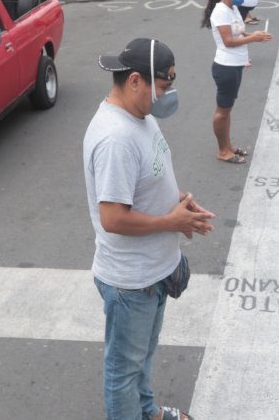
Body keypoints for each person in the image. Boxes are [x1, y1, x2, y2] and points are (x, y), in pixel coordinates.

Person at [84, 37, 216, 420]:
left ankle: (148, 411)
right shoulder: (115, 138)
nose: (168, 94)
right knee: (123, 372)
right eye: (164, 85)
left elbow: (148, 177)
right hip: (132, 282)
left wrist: (178, 202)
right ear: (135, 81)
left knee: (142, 356)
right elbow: (113, 218)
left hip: (153, 272)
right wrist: (170, 221)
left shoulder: (141, 115)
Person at [201, 0, 273, 164]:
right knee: (222, 111)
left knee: (227, 110)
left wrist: (254, 34)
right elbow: (228, 41)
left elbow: (238, 32)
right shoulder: (221, 11)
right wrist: (253, 38)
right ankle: (223, 151)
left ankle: (228, 146)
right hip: (226, 66)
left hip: (236, 65)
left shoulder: (232, 8)